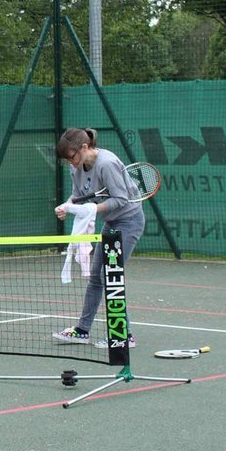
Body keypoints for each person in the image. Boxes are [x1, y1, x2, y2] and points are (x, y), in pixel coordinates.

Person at [52, 127, 145, 349]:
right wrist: (68, 206)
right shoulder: (76, 169)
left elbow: (121, 200)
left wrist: (93, 209)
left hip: (129, 223)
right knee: (96, 276)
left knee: (109, 277)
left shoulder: (107, 163)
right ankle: (82, 331)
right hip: (111, 223)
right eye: (66, 160)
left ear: (84, 147)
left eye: (72, 157)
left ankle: (124, 336)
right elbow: (78, 196)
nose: (70, 163)